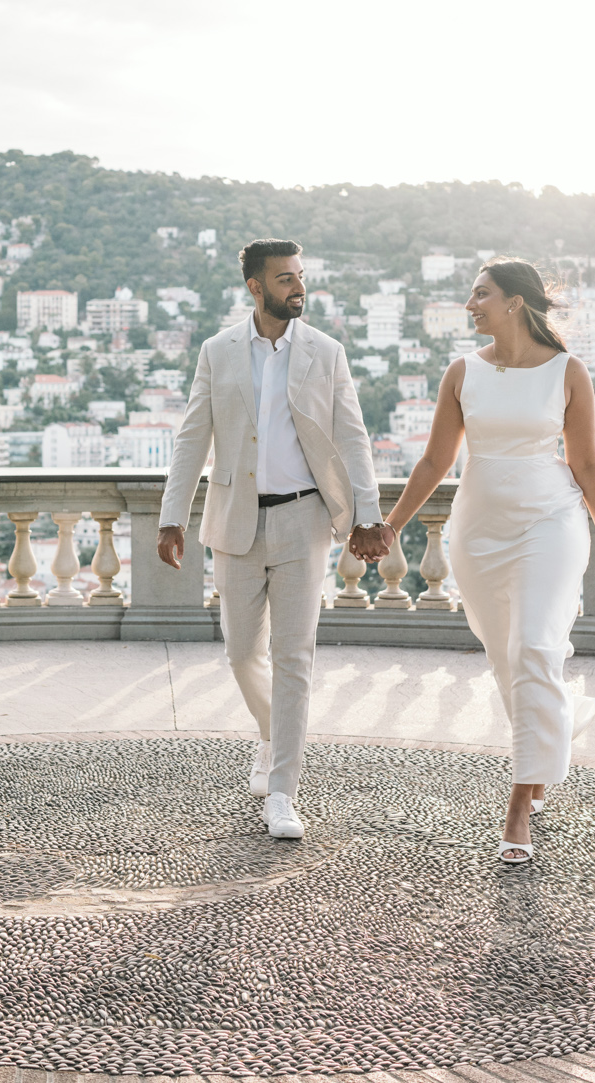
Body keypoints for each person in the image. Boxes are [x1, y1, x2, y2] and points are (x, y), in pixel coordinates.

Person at [381, 257, 595, 864]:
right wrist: (389, 528)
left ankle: (519, 801)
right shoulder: (462, 372)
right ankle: (544, 747)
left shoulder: (569, 373)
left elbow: (586, 462)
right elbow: (435, 462)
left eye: (480, 294)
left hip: (551, 521)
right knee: (504, 655)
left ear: (514, 301)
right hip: (478, 530)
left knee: (534, 649)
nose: (470, 305)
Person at [159, 237, 393, 840]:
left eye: (300, 276)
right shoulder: (218, 351)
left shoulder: (326, 352)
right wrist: (172, 516)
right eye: (285, 278)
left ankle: (284, 790)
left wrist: (367, 514)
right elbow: (192, 438)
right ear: (255, 287)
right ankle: (271, 733)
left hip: (303, 519)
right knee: (241, 654)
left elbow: (354, 437)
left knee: (295, 658)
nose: (298, 287)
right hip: (235, 518)